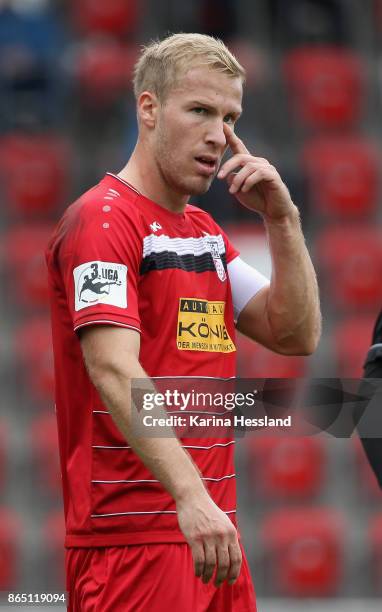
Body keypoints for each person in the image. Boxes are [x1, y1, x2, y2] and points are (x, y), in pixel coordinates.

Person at [46, 33, 321, 612]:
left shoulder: (203, 235)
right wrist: (191, 496)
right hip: (134, 543)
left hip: (210, 537)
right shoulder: (102, 221)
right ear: (148, 108)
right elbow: (114, 368)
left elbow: (295, 334)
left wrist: (284, 220)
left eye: (229, 117)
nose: (219, 135)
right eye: (199, 110)